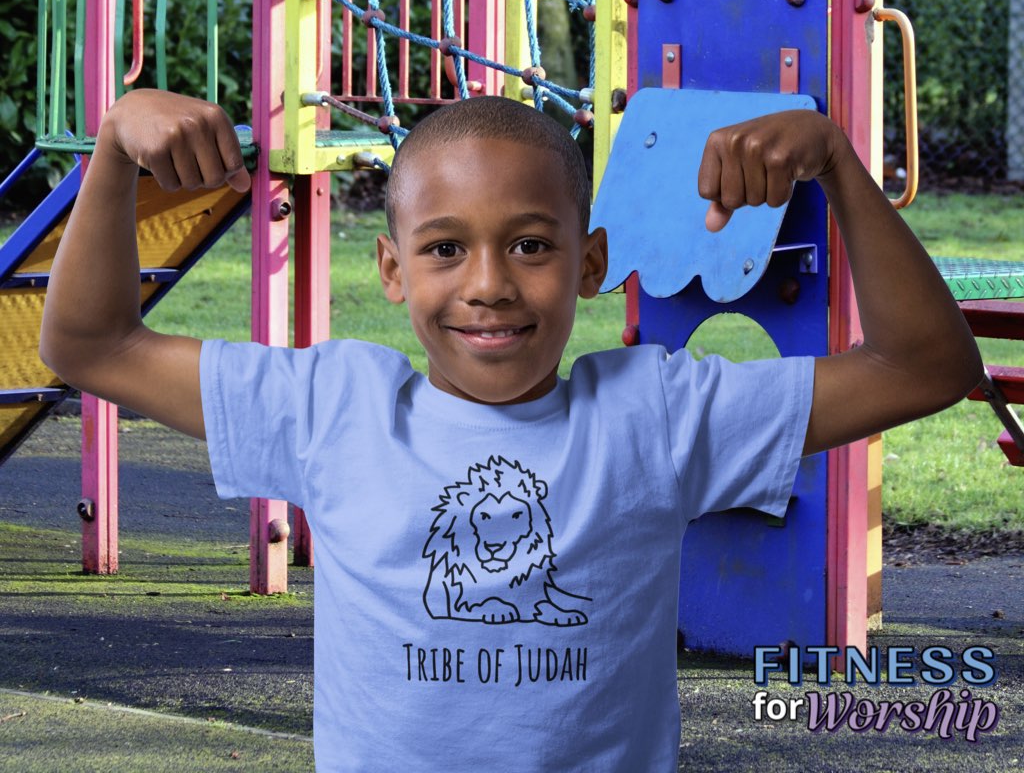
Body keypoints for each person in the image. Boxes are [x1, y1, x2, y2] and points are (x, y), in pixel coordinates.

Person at [40, 88, 982, 773]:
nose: (489, 282)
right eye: (446, 248)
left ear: (590, 262)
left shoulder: (651, 418)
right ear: (393, 269)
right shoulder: (333, 409)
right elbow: (91, 344)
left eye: (530, 245)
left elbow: (926, 366)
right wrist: (117, 147)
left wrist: (839, 163)